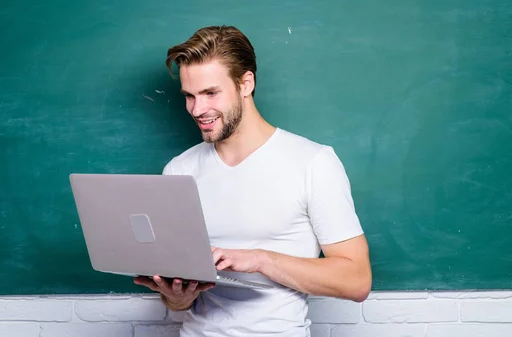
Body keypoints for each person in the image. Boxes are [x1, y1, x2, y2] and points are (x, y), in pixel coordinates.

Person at [134, 25, 372, 337]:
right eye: (189, 96)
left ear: (246, 83)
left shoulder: (313, 162)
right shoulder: (179, 170)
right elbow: (178, 301)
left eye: (210, 93)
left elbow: (356, 280)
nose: (197, 109)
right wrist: (178, 296)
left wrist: (260, 260)